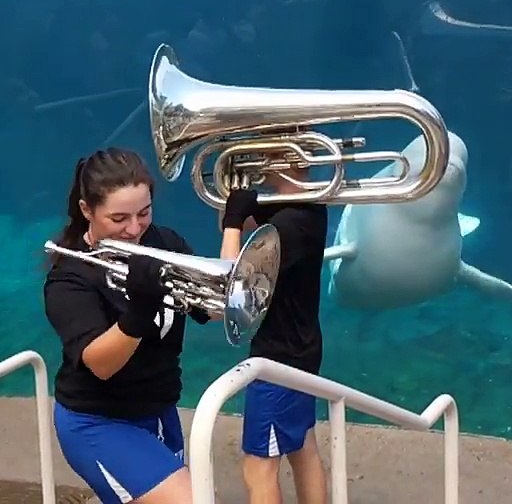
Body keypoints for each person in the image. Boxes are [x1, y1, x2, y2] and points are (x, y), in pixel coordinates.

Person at [44, 148, 215, 504]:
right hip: (98, 422)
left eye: (144, 213)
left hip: (159, 410)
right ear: (86, 210)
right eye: (119, 218)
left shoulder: (163, 242)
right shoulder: (69, 278)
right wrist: (139, 312)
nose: (135, 229)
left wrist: (231, 226)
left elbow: (212, 305)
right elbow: (100, 364)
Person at [219, 181, 329, 504]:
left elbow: (232, 286)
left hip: (278, 359)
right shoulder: (307, 207)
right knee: (302, 447)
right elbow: (249, 236)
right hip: (301, 349)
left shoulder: (289, 225)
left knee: (259, 467)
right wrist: (232, 209)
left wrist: (232, 222)